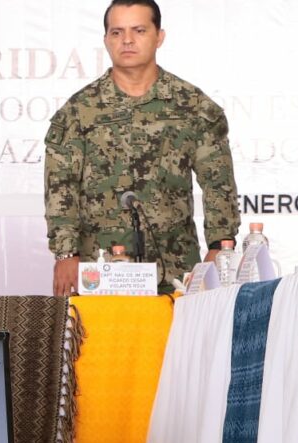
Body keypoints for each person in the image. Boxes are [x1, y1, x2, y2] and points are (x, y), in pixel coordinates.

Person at [44, 0, 240, 295]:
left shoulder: (193, 106)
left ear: (159, 36)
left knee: (174, 343)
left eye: (138, 30)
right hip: (98, 269)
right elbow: (61, 187)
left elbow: (218, 183)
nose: (127, 41)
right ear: (106, 40)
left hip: (174, 269)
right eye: (117, 32)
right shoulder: (79, 111)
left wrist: (218, 247)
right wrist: (64, 254)